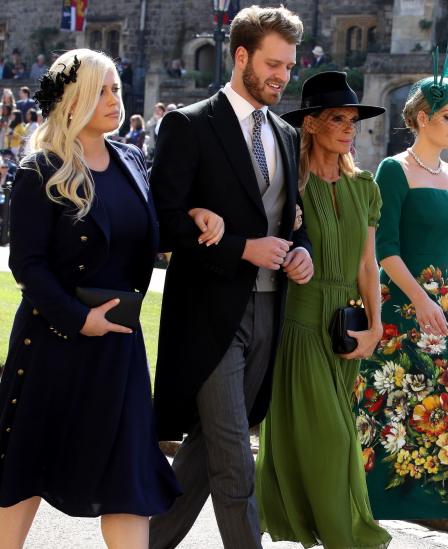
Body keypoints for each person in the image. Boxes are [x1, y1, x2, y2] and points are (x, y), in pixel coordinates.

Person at [0, 48, 181, 549]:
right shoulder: (42, 168)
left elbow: (145, 234)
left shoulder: (130, 158)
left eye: (116, 89)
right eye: (100, 90)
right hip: (53, 346)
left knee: (128, 479)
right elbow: (27, 266)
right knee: (24, 468)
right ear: (73, 99)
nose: (113, 99)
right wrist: (79, 320)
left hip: (118, 347)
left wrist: (195, 226)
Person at [147, 7, 312, 549]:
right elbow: (163, 223)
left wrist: (301, 253)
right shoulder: (189, 124)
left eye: (288, 67)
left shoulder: (287, 134)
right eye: (272, 64)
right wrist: (243, 248)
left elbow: (292, 221)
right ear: (240, 56)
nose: (282, 77)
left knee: (211, 446)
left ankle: (144, 544)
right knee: (236, 464)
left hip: (270, 311)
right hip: (209, 316)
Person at [355, 43, 448, 549]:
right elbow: (385, 249)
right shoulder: (393, 169)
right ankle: (363, 520)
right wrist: (422, 301)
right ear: (424, 118)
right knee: (388, 420)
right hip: (403, 318)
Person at [255, 71, 391, 548]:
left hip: (347, 326)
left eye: (353, 120)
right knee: (332, 438)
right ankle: (348, 537)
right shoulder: (286, 186)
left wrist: (375, 326)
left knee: (334, 436)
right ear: (310, 124)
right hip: (299, 322)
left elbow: (367, 265)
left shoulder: (365, 187)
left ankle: (321, 526)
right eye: (338, 118)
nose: (349, 128)